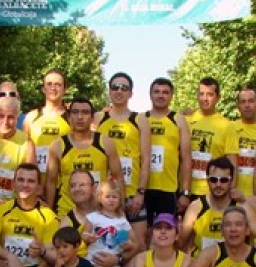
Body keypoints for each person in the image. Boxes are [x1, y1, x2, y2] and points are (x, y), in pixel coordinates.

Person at [94, 72, 150, 247]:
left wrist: (141, 193)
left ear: (131, 93)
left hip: (131, 196)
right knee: (103, 244)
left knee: (137, 247)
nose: (119, 91)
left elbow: (146, 159)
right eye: (115, 87)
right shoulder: (98, 118)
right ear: (109, 91)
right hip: (104, 196)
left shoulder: (139, 119)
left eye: (124, 88)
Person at [179, 156, 256, 256]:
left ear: (231, 181)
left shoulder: (242, 208)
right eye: (213, 180)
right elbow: (180, 244)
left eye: (224, 180)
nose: (218, 184)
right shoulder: (196, 207)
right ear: (207, 181)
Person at [45, 98, 123, 218]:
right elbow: (51, 182)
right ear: (69, 117)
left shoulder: (106, 142)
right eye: (75, 112)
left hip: (100, 213)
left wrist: (119, 209)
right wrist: (48, 213)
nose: (80, 117)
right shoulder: (57, 145)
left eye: (85, 112)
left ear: (92, 118)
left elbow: (118, 177)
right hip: (67, 212)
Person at [145, 78, 192, 220]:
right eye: (156, 92)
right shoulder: (141, 119)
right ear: (150, 94)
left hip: (168, 188)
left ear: (171, 96)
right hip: (143, 188)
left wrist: (185, 193)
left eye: (165, 92)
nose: (160, 95)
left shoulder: (178, 120)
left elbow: (186, 159)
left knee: (165, 234)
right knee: (142, 235)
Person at [186, 77, 235, 199]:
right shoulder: (186, 120)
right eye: (201, 94)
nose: (205, 98)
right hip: (188, 190)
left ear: (218, 97)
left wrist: (231, 190)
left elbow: (232, 163)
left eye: (210, 94)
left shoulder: (227, 126)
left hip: (214, 190)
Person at [22, 69, 70, 186]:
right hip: (35, 183)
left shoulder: (71, 118)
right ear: (43, 89)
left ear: (65, 89)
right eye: (49, 84)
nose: (53, 88)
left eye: (58, 85)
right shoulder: (31, 117)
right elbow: (23, 152)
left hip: (63, 184)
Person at [226, 88, 256, 197]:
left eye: (251, 101)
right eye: (243, 102)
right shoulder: (231, 127)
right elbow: (232, 161)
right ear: (238, 106)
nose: (247, 105)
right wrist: (232, 189)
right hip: (237, 194)